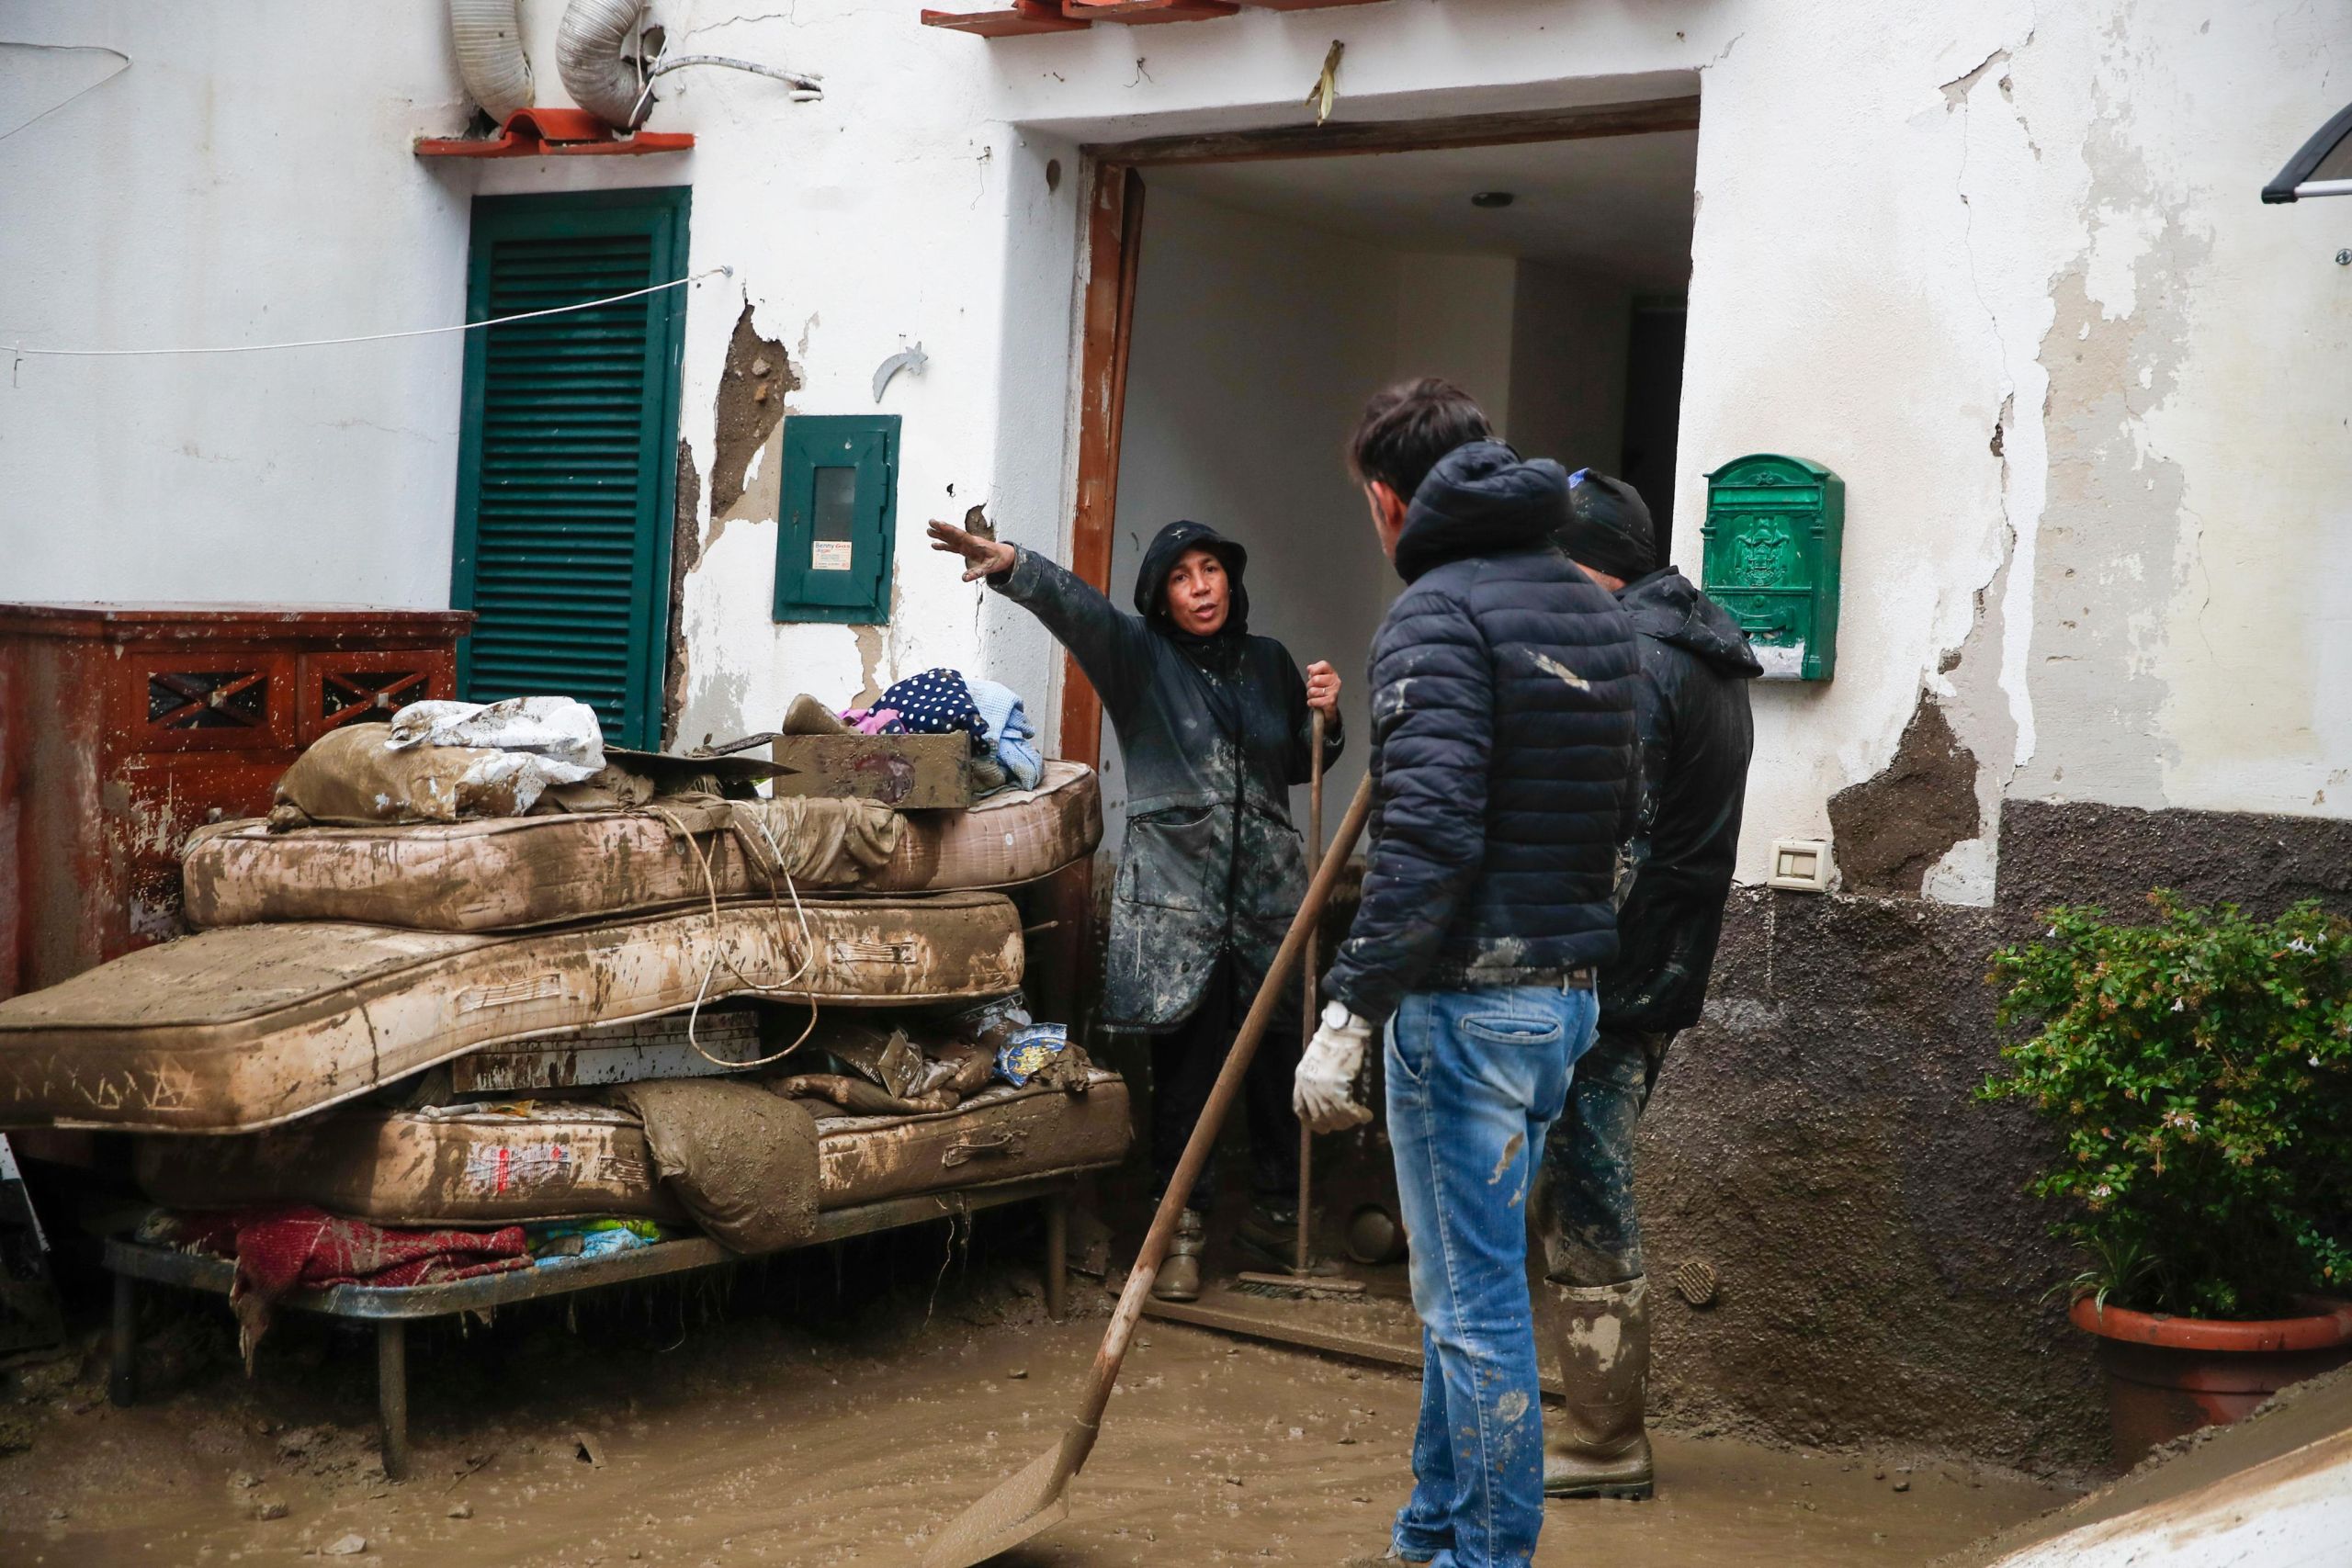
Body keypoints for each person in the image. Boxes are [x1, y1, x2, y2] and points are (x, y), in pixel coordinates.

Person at [1295, 379, 1639, 1568]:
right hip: (1560, 1002)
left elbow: (1430, 835)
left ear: (1391, 499)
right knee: (1467, 1292)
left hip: (1468, 1009)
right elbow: (1619, 807)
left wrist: (1352, 1003)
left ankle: (1483, 1555)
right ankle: (1431, 1530)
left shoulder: (1438, 612)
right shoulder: (1593, 604)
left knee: (1474, 1309)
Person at [927, 514, 1342, 1302]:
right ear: (1160, 596)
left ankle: (1281, 1220)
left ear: (1230, 578)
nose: (1200, 587)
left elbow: (1297, 759)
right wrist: (1014, 563)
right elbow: (1077, 608)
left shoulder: (1271, 663)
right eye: (1182, 576)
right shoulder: (1139, 659)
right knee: (1187, 1073)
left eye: (1210, 569)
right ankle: (1177, 1231)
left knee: (1280, 1062)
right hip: (1179, 908)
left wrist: (1327, 714)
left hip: (1268, 899)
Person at [1533, 470, 1758, 1501]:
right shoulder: (1705, 652)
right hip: (1661, 966)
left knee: (1589, 1191)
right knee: (1581, 1184)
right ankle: (1586, 1403)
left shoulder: (1633, 659)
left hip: (1607, 979)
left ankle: (1602, 1438)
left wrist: (1551, 961)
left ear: (1588, 566)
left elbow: (1615, 841)